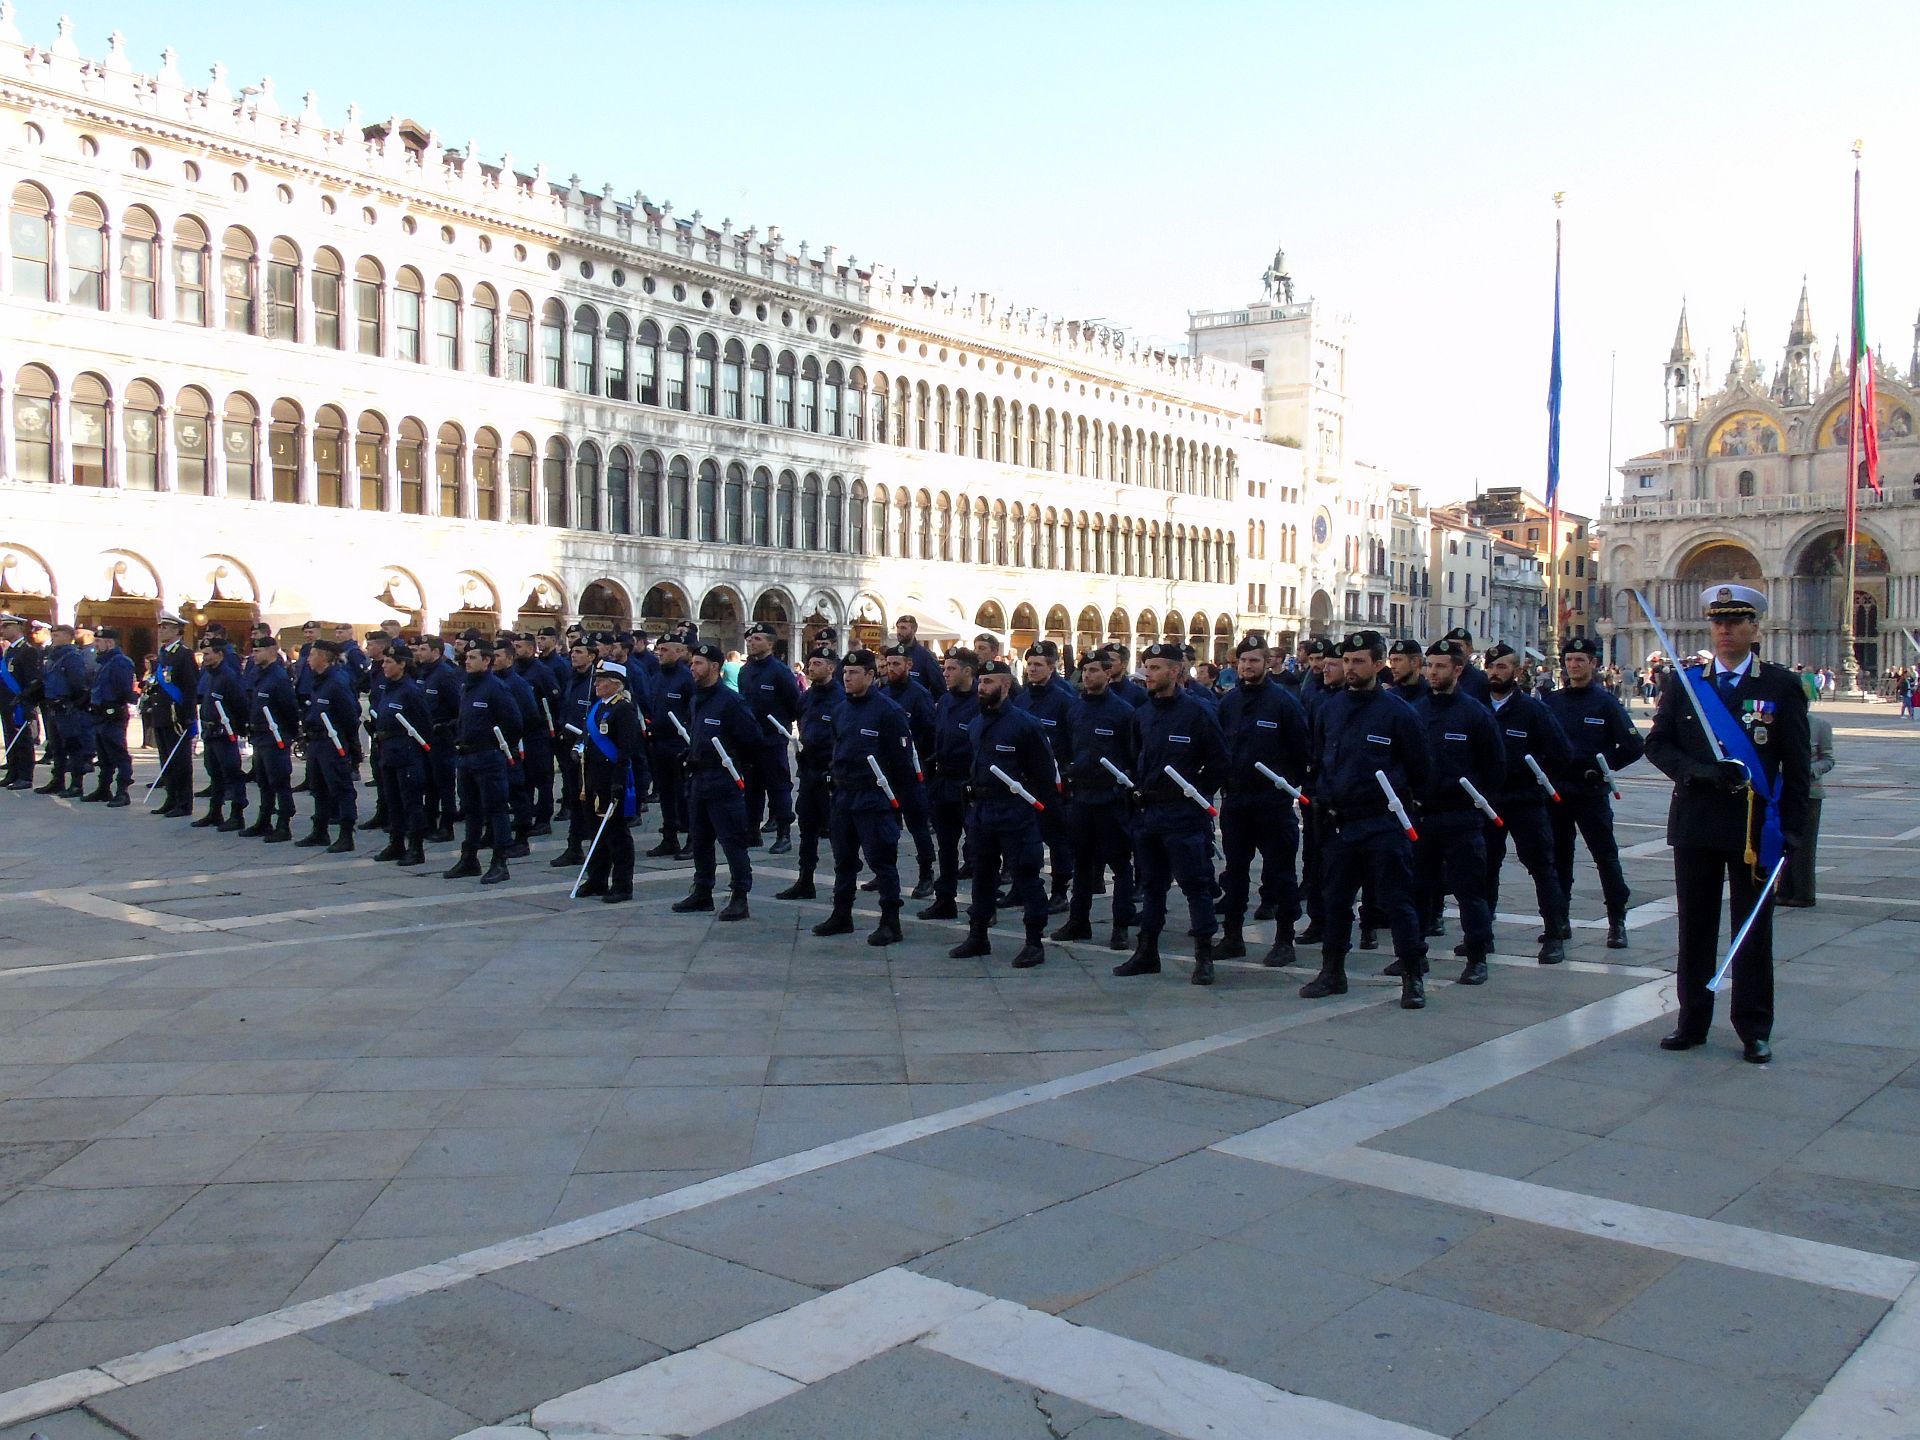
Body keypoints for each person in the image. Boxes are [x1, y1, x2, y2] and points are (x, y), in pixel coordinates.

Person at [1644, 584, 1810, 1064]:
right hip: (1696, 822)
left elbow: (1796, 767)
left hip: (1754, 830)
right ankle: (1691, 1020)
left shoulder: (1779, 686)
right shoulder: (1686, 683)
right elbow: (1658, 745)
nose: (1725, 631)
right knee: (1694, 930)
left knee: (1752, 932)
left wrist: (1793, 831)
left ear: (1754, 629)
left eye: (1736, 622)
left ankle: (1754, 1027)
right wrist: (1696, 771)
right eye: (1718, 622)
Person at [1298, 631, 1432, 1008]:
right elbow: (1320, 757)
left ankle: (1412, 975)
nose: (1350, 668)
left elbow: (1421, 770)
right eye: (1347, 660)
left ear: (1378, 664)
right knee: (1335, 900)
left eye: (1359, 661)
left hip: (1381, 824)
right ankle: (1332, 971)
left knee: (1397, 901)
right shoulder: (1330, 708)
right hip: (1340, 824)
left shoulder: (1398, 713)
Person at [1114, 642, 1227, 985]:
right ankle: (1147, 951)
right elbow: (1136, 757)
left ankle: (1204, 956)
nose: (1149, 674)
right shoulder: (1143, 714)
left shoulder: (1198, 713)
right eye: (1147, 667)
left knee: (1195, 885)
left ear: (1176, 672)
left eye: (1158, 667)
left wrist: (1195, 793)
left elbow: (1220, 762)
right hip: (1149, 813)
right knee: (1152, 885)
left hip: (1183, 814)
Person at [1212, 635, 1310, 968]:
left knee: (1281, 873)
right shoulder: (1229, 703)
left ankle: (1285, 940)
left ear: (1267, 662)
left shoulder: (1283, 702)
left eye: (1254, 660)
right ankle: (1232, 936)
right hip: (1237, 801)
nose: (1247, 666)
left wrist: (1287, 787)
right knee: (1235, 872)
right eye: (1242, 661)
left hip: (1272, 802)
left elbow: (1301, 750)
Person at [1412, 641, 1503, 984]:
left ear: (1458, 671)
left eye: (1440, 667)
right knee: (1418, 888)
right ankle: (1413, 954)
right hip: (1423, 816)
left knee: (1469, 890)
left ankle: (1477, 955)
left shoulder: (1475, 714)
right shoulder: (1416, 711)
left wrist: (1476, 803)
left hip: (1461, 817)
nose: (1432, 673)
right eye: (1429, 666)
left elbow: (1495, 768)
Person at [811, 647, 916, 946]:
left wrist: (900, 805)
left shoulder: (888, 711)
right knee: (843, 860)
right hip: (844, 794)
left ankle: (890, 921)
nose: (848, 678)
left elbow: (902, 762)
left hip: (874, 796)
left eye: (855, 673)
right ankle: (841, 913)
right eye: (845, 673)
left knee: (881, 860)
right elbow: (837, 746)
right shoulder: (841, 709)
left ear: (871, 675)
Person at [1544, 636, 1645, 947]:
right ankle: (1559, 920)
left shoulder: (1606, 703)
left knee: (1605, 858)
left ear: (1593, 664)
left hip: (1590, 792)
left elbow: (1633, 746)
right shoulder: (1552, 701)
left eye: (1580, 660)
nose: (1574, 666)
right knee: (1558, 859)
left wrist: (1604, 766)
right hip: (1557, 792)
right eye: (1570, 660)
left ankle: (1617, 921)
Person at [953, 657, 1052, 968]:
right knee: (981, 874)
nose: (982, 688)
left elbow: (1044, 775)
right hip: (982, 810)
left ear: (1006, 686)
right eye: (981, 683)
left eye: (989, 683)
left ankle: (1034, 941)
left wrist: (1038, 812)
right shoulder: (977, 723)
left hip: (1015, 811)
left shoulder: (1025, 725)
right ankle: (978, 934)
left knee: (1026, 874)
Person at [1481, 642, 1573, 963]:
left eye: (1502, 667)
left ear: (1518, 672)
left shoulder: (1533, 711)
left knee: (1541, 866)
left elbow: (1562, 753)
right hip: (1487, 800)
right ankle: (1481, 934)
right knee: (1484, 867)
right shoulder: (1476, 707)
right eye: (1491, 667)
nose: (1495, 672)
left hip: (1523, 799)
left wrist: (1536, 776)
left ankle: (1554, 933)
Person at [1052, 642, 1138, 950]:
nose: (1087, 676)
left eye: (1093, 670)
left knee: (1119, 865)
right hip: (1081, 797)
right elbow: (1064, 746)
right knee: (1083, 863)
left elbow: (1133, 755)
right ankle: (1079, 921)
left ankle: (1120, 926)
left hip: (1110, 798)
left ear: (1109, 672)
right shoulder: (1075, 707)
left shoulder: (1123, 712)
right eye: (1084, 670)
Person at [673, 639, 759, 921]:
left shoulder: (731, 701)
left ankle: (740, 895)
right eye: (691, 663)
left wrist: (733, 760)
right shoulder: (698, 698)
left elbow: (752, 738)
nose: (693, 669)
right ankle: (702, 891)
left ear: (714, 666)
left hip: (723, 779)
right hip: (699, 777)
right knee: (700, 839)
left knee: (732, 840)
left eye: (698, 664)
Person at [444, 641, 519, 884]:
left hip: (488, 756)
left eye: (473, 657)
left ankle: (500, 862)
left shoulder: (495, 688)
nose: (467, 661)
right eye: (467, 657)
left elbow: (514, 722)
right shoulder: (467, 686)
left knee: (495, 809)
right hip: (466, 756)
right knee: (471, 809)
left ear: (487, 661)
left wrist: (498, 746)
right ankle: (469, 859)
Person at [1011, 640, 1077, 910]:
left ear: (1052, 667)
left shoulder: (1064, 700)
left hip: (1051, 780)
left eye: (1039, 665)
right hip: (1022, 780)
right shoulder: (1023, 698)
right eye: (1030, 665)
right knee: (1019, 836)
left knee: (1055, 836)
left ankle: (1060, 890)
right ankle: (1019, 885)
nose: (1033, 669)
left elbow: (1073, 739)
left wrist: (1068, 773)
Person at [774, 643, 843, 902]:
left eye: (817, 664)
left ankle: (843, 883)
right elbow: (800, 722)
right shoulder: (808, 696)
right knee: (807, 828)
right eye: (810, 664)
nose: (812, 668)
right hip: (809, 770)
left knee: (838, 832)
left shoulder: (840, 697)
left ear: (831, 668)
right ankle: (805, 879)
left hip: (831, 774)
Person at [916, 646, 979, 921]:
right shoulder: (945, 700)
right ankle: (945, 898)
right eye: (944, 668)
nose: (945, 673)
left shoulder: (981, 702)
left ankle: (982, 904)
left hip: (970, 784)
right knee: (946, 845)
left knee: (979, 847)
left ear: (968, 671)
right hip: (944, 782)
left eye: (951, 669)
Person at [574, 661, 644, 903]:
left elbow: (626, 748)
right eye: (596, 680)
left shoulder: (622, 709)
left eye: (601, 681)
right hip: (592, 778)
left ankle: (623, 885)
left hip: (611, 778)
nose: (596, 684)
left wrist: (619, 781)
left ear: (615, 684)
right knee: (595, 832)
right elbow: (588, 737)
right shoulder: (598, 708)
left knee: (616, 835)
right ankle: (597, 879)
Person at [879, 641, 938, 897]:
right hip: (886, 770)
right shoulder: (882, 692)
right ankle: (884, 871)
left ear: (908, 665)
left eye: (896, 664)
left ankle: (926, 873)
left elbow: (928, 731)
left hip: (911, 769)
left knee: (917, 825)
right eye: (888, 664)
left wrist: (921, 760)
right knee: (884, 826)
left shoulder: (919, 694)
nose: (891, 669)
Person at [738, 621, 800, 855]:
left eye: (757, 639)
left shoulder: (780, 671)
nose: (751, 643)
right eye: (750, 639)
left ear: (770, 644)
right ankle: (752, 830)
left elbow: (794, 704)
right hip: (750, 740)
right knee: (752, 788)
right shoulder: (746, 671)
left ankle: (784, 833)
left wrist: (781, 725)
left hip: (772, 739)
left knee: (779, 787)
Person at [370, 646, 433, 866]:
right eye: (384, 661)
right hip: (388, 750)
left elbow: (424, 723)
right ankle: (396, 843)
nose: (385, 666)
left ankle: (415, 847)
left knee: (411, 802)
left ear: (402, 664)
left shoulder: (410, 690)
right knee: (393, 800)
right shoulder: (389, 687)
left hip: (406, 752)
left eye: (389, 662)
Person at [297, 638, 361, 852]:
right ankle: (320, 830)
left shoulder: (336, 682)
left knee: (340, 788)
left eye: (313, 654)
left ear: (324, 657)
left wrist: (351, 748)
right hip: (316, 741)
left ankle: (346, 834)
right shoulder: (319, 680)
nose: (308, 659)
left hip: (332, 741)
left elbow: (349, 716)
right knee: (318, 788)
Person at [243, 631, 298, 842]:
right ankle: (264, 820)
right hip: (260, 735)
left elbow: (289, 709)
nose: (253, 655)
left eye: (258, 651)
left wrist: (288, 734)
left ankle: (283, 823)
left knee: (279, 781)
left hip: (275, 736)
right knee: (264, 782)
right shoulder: (259, 674)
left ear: (272, 651)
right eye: (253, 651)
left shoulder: (278, 677)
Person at [140, 612, 197, 815]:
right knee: (166, 759)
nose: (161, 630)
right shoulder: (164, 653)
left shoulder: (183, 654)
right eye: (160, 627)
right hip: (161, 713)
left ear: (176, 630)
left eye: (165, 627)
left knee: (180, 761)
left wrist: (188, 717)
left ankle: (183, 803)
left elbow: (190, 688)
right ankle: (171, 798)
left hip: (176, 717)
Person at [647, 626, 695, 858]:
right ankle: (669, 837)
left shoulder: (687, 678)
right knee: (665, 793)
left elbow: (694, 711)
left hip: (680, 744)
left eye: (665, 649)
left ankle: (693, 838)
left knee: (685, 794)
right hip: (659, 742)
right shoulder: (656, 678)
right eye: (659, 649)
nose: (660, 653)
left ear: (680, 651)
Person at [192, 634, 248, 829]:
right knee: (214, 774)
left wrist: (238, 728)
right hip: (210, 732)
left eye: (208, 654)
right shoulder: (210, 674)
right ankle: (215, 811)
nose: (204, 657)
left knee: (231, 773)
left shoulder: (228, 676)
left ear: (220, 654)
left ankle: (237, 813)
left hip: (224, 733)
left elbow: (240, 704)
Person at [1780, 710, 1833, 908]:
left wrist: (1810, 770)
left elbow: (1828, 759)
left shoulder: (1820, 725)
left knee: (1804, 844)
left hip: (1810, 792)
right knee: (1782, 842)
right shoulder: (1779, 721)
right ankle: (1784, 889)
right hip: (1782, 791)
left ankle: (1804, 892)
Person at [413, 635, 463, 841]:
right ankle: (429, 821)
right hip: (423, 738)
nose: (418, 653)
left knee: (443, 784)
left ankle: (447, 825)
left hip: (441, 738)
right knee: (428, 783)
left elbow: (458, 707)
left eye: (423, 649)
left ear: (436, 652)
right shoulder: (423, 672)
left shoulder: (445, 674)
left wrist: (447, 727)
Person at [86, 628, 137, 806]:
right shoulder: (104, 661)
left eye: (99, 642)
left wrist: (113, 704)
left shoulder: (120, 662)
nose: (96, 645)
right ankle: (103, 788)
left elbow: (124, 688)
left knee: (118, 752)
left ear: (110, 643)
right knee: (103, 754)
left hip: (113, 713)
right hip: (99, 714)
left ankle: (123, 791)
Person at [0, 614, 44, 792]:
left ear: (18, 628)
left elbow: (33, 680)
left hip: (20, 703)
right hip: (7, 702)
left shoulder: (28, 651)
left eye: (6, 627)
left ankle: (25, 776)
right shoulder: (11, 651)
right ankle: (13, 771)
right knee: (11, 737)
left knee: (23, 739)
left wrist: (26, 700)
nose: (2, 631)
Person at [892, 615, 946, 693]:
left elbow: (939, 686)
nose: (899, 632)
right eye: (898, 627)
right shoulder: (892, 654)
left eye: (903, 628)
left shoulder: (925, 656)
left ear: (914, 629)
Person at [1441, 626, 1492, 704]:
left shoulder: (1480, 680)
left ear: (1470, 650)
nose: (1454, 649)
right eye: (1450, 645)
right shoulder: (1440, 677)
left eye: (1458, 646)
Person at [1386, 638, 1429, 705]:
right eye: (1391, 661)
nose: (1393, 666)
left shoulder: (1432, 696)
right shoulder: (1388, 697)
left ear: (1415, 662)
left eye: (1397, 660)